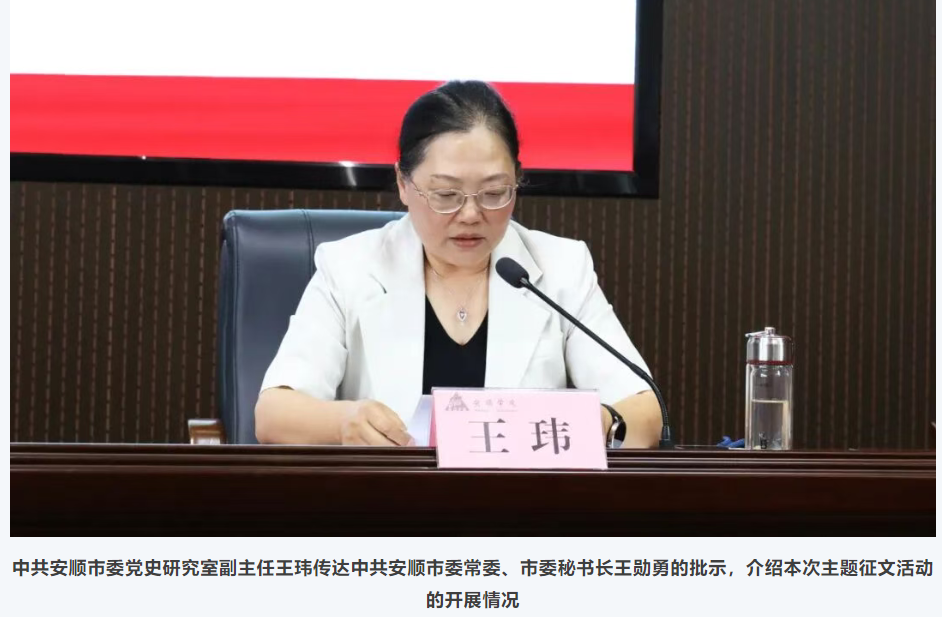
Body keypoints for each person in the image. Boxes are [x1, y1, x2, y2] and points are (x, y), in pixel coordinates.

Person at [255, 80, 661, 448]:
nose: (470, 215)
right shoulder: (349, 267)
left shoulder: (560, 268)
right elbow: (273, 414)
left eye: (494, 193)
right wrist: (344, 422)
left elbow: (644, 409)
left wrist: (597, 423)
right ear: (403, 184)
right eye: (446, 195)